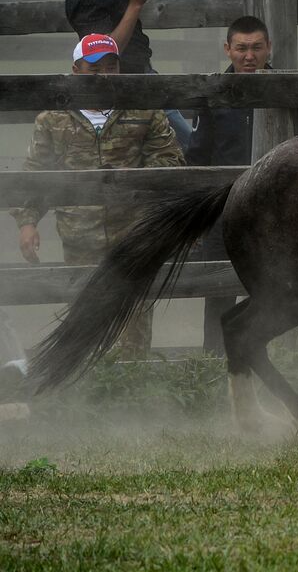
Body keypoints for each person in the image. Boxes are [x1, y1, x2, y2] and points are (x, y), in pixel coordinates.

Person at [11, 34, 186, 356]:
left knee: (133, 333)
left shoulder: (143, 110)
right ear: (76, 70)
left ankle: (133, 392)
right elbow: (36, 174)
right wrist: (28, 222)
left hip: (133, 239)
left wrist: (136, 182)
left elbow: (171, 159)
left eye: (110, 65)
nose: (103, 73)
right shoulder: (53, 119)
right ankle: (88, 398)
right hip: (80, 241)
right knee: (83, 331)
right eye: (93, 67)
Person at [65, 0, 231, 147]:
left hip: (143, 76)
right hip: (117, 90)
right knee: (185, 148)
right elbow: (106, 54)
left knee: (185, 148)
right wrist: (135, 5)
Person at [186, 15, 273, 356]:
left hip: (274, 211)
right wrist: (199, 216)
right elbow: (198, 158)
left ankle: (271, 363)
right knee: (219, 290)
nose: (249, 56)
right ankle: (214, 365)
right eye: (241, 48)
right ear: (228, 49)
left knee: (277, 291)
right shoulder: (213, 93)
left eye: (256, 48)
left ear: (268, 48)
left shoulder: (287, 86)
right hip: (222, 210)